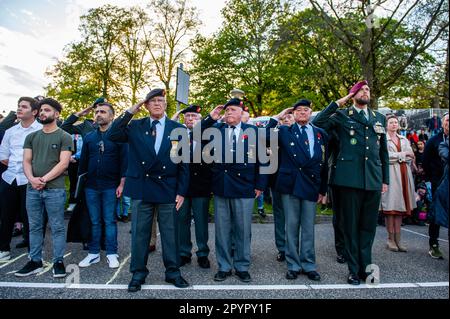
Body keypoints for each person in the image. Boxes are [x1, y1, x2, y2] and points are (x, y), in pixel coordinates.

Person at [108, 88, 190, 292]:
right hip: (142, 187)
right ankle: (138, 273)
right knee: (140, 234)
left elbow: (184, 163)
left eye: (161, 100)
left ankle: (173, 272)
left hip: (167, 188)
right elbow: (112, 134)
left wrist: (181, 191)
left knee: (171, 234)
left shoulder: (177, 128)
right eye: (152, 101)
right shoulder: (135, 125)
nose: (157, 103)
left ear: (165, 104)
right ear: (145, 105)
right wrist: (130, 112)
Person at [312, 80, 389, 285]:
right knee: (351, 227)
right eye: (361, 89)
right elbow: (318, 123)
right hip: (348, 180)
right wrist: (340, 101)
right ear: (353, 94)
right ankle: (354, 270)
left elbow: (383, 152)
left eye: (367, 89)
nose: (365, 91)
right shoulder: (343, 115)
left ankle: (367, 269)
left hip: (372, 179)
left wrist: (385, 180)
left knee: (368, 228)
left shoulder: (379, 118)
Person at [202, 99, 266, 283]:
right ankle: (223, 266)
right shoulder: (216, 130)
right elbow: (196, 135)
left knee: (243, 230)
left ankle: (242, 266)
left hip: (244, 186)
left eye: (232, 109)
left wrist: (260, 185)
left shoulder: (253, 132)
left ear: (241, 113)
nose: (228, 112)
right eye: (227, 110)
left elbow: (263, 160)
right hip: (221, 186)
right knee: (222, 230)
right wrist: (211, 117)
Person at [269, 99, 328, 281]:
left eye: (306, 110)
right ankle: (293, 265)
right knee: (292, 227)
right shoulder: (284, 131)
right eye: (298, 110)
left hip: (311, 184)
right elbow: (262, 135)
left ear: (311, 113)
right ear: (292, 114)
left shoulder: (320, 133)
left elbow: (323, 163)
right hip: (290, 185)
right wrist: (278, 116)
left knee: (308, 227)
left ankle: (309, 264)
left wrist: (323, 189)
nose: (302, 113)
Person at [15, 98, 73, 278]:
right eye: (40, 110)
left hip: (54, 189)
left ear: (56, 114)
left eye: (46, 110)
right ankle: (35, 261)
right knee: (34, 226)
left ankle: (58, 262)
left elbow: (64, 164)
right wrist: (32, 179)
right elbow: (26, 161)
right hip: (32, 189)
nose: (42, 113)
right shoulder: (31, 137)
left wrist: (43, 180)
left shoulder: (65, 136)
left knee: (57, 226)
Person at [77, 102, 127, 269]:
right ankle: (93, 253)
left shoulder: (119, 136)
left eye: (103, 112)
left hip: (111, 185)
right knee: (94, 221)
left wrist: (122, 183)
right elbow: (83, 163)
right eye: (97, 112)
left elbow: (124, 162)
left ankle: (112, 253)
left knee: (110, 221)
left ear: (111, 116)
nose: (99, 114)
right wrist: (80, 184)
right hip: (91, 185)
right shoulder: (89, 137)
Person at [0, 97, 42, 261]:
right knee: (6, 215)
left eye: (24, 107)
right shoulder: (10, 132)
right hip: (9, 178)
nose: (19, 109)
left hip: (29, 180)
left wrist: (28, 170)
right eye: (18, 106)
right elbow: (3, 156)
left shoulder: (40, 130)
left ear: (34, 112)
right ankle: (3, 249)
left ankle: (34, 251)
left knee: (30, 217)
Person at [173, 104, 212, 269]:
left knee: (201, 222)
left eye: (194, 117)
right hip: (181, 188)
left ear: (200, 119)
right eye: (187, 116)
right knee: (182, 222)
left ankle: (203, 254)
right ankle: (184, 253)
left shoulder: (209, 136)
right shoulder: (177, 136)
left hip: (201, 186)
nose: (190, 119)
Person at [380, 115, 417, 252]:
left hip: (403, 174)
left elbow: (411, 155)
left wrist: (402, 156)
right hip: (391, 175)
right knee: (391, 208)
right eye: (391, 122)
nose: (394, 124)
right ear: (386, 124)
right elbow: (384, 157)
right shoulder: (383, 139)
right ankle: (390, 239)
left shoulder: (404, 139)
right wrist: (402, 155)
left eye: (396, 122)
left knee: (400, 209)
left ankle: (398, 239)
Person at [423, 113, 448, 259]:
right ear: (442, 122)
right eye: (447, 120)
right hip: (438, 182)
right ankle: (433, 245)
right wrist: (431, 179)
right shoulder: (434, 140)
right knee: (435, 214)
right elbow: (425, 161)